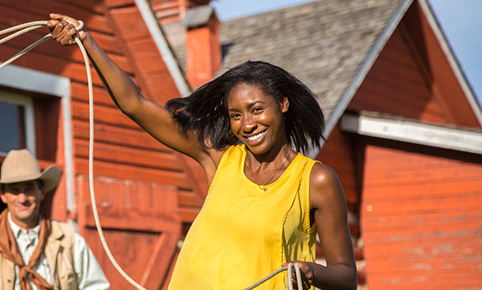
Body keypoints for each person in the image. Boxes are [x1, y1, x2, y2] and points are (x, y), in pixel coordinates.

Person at [47, 14, 357, 290]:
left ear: (283, 105)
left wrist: (311, 271)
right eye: (236, 115)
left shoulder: (315, 180)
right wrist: (86, 41)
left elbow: (346, 276)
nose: (248, 124)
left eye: (257, 110)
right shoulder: (220, 158)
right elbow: (134, 104)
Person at [0, 149, 110, 290]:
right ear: (3, 196)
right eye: (14, 190)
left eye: (28, 189)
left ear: (41, 193)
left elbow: (97, 287)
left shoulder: (69, 241)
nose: (22, 198)